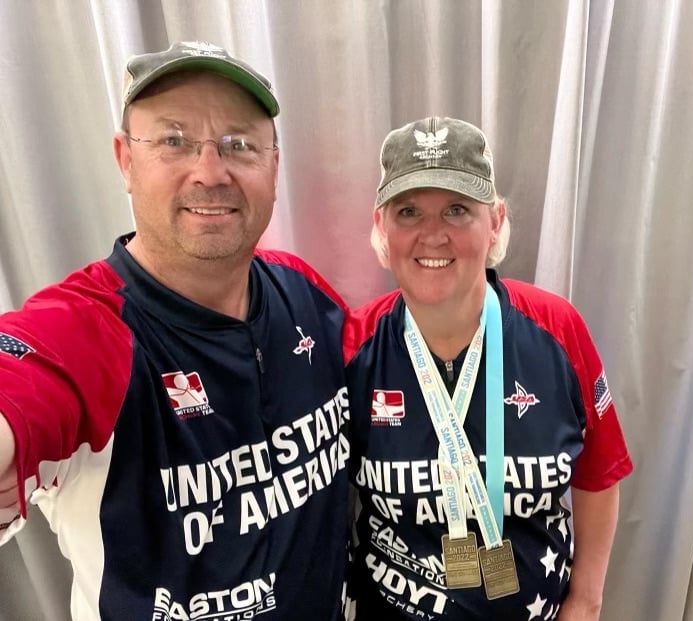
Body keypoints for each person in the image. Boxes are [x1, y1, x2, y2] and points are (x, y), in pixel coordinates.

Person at [0, 41, 350, 620]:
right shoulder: (87, 329)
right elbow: (23, 377)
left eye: (239, 144)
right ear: (124, 160)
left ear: (273, 165)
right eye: (173, 140)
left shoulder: (303, 291)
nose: (210, 172)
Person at [344, 116, 633, 620]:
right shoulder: (353, 343)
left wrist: (586, 601)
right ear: (381, 227)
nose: (432, 235)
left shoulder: (556, 329)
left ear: (495, 221)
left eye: (457, 210)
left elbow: (598, 471)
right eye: (409, 211)